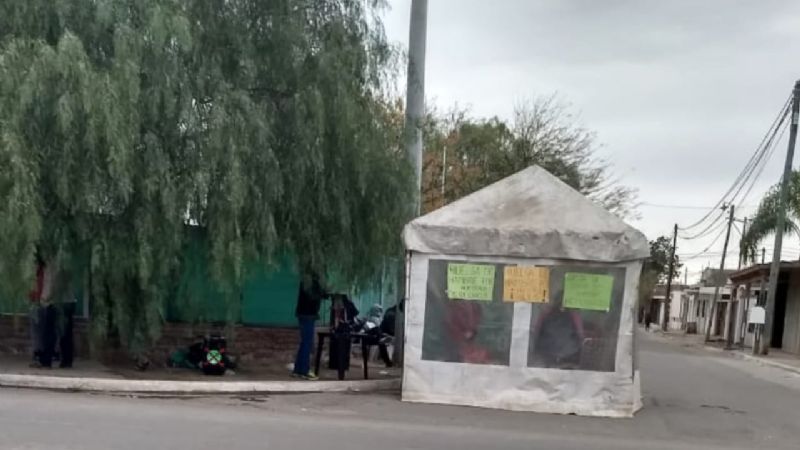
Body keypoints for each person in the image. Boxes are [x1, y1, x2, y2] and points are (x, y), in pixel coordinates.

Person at [292, 271, 326, 380]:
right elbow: (315, 296)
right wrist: (325, 293)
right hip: (308, 315)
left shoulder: (306, 280)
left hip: (302, 314)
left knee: (304, 342)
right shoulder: (312, 282)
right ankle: (305, 371)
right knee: (307, 343)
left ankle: (298, 369)